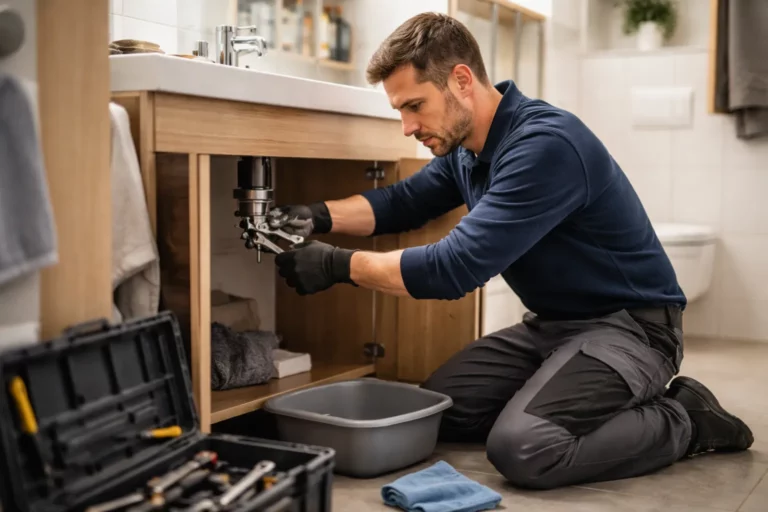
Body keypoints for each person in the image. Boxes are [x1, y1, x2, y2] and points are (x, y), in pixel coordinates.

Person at [267, 12, 753, 489]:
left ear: (461, 80)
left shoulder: (545, 145)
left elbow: (454, 267)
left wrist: (336, 264)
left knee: (525, 448)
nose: (407, 127)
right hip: (552, 327)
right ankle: (568, 390)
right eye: (400, 111)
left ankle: (687, 418)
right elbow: (402, 203)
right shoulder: (467, 147)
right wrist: (316, 215)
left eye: (414, 105)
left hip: (633, 328)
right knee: (439, 411)